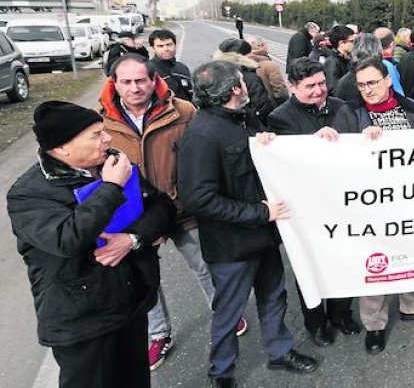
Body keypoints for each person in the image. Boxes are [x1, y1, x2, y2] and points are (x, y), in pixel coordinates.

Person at [8, 101, 176, 388]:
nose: (108, 139)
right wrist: (111, 188)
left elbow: (161, 207)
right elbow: (67, 239)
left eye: (104, 131)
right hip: (82, 321)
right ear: (62, 149)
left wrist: (133, 238)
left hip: (129, 303)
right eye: (96, 135)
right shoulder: (29, 195)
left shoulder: (112, 163)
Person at [177, 61, 319, 385]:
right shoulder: (201, 134)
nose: (247, 86)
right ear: (234, 90)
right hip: (232, 247)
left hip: (264, 236)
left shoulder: (245, 119)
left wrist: (266, 141)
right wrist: (260, 213)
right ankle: (222, 372)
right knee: (229, 311)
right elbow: (199, 198)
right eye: (243, 81)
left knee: (274, 297)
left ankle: (280, 352)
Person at [98, 56, 229, 371]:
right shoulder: (101, 123)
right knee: (146, 282)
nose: (135, 88)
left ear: (153, 79)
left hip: (183, 210)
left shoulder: (183, 111)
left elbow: (204, 155)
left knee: (205, 265)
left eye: (141, 80)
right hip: (134, 221)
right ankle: (158, 334)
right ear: (114, 83)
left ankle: (224, 314)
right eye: (126, 82)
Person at [349, 58, 414, 353]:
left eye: (373, 82)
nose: (368, 89)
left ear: (388, 81)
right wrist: (355, 141)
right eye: (362, 84)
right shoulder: (350, 113)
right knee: (373, 261)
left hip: (410, 196)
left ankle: (413, 306)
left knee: (413, 251)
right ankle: (374, 325)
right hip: (369, 202)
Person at [266, 57, 360, 346]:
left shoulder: (342, 106)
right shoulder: (280, 117)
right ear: (293, 87)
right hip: (307, 209)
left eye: (322, 83)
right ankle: (316, 322)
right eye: (310, 86)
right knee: (311, 268)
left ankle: (342, 314)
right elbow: (286, 165)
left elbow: (358, 147)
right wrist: (312, 144)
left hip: (344, 201)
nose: (319, 90)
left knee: (345, 261)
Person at [213, 38, 276, 123]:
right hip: (248, 125)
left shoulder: (213, 75)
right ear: (241, 56)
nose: (252, 55)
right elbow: (261, 107)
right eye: (249, 53)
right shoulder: (249, 77)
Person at [146, 29, 193, 102]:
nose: (166, 49)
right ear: (153, 48)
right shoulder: (147, 70)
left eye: (169, 45)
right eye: (160, 46)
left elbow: (190, 94)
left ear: (175, 45)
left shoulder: (182, 68)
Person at [248, 35, 288, 104]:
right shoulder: (270, 65)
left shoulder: (245, 63)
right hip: (270, 105)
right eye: (266, 45)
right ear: (261, 46)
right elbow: (280, 90)